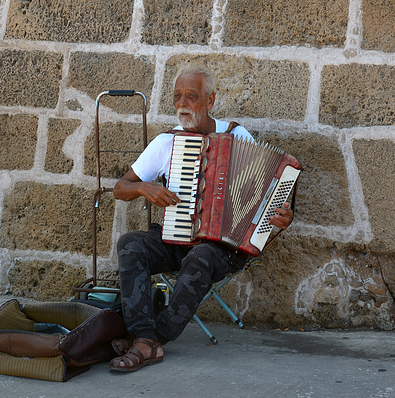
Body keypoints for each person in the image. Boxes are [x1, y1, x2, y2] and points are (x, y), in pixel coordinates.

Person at [109, 64, 293, 372]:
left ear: (210, 101)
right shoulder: (166, 142)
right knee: (131, 244)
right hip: (176, 239)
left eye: (191, 96)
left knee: (203, 255)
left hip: (223, 250)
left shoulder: (237, 137)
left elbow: (268, 200)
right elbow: (120, 188)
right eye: (177, 96)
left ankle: (150, 342)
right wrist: (144, 188)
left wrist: (280, 217)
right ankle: (144, 335)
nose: (182, 104)